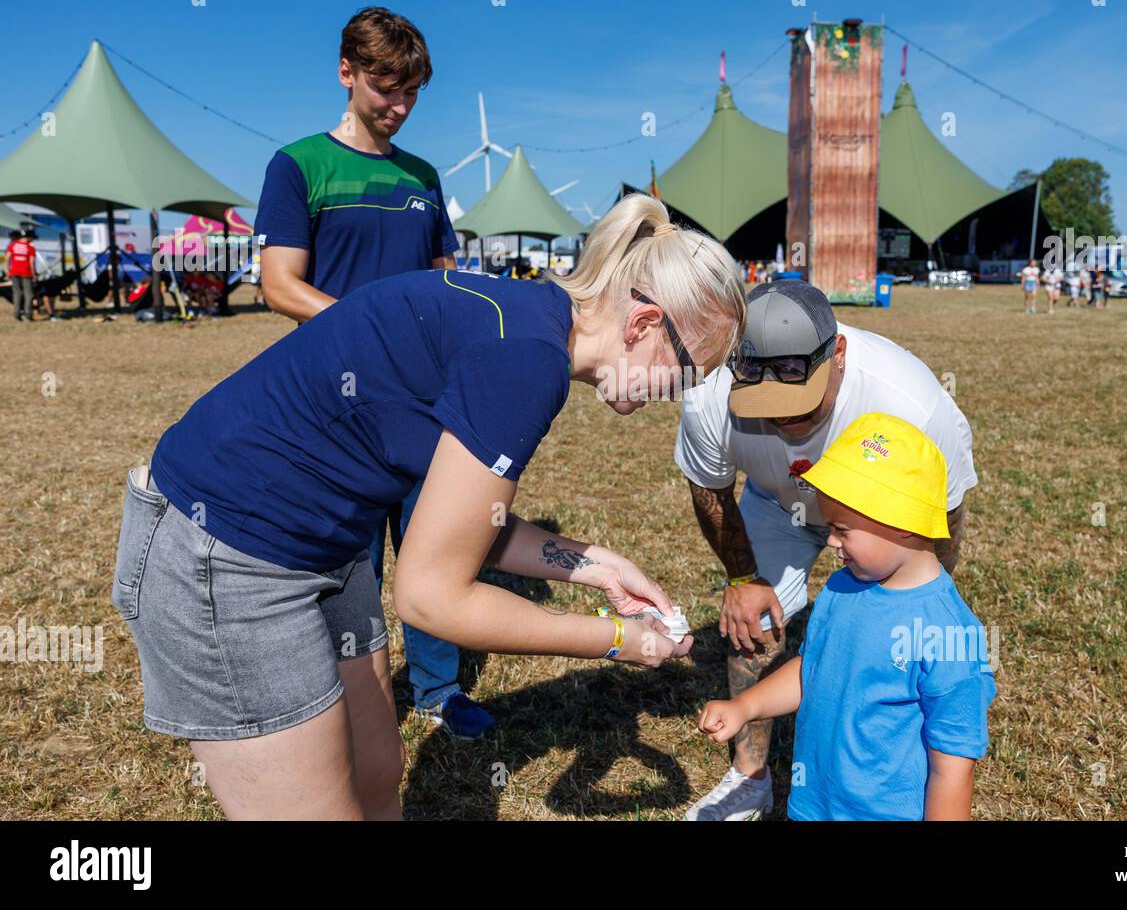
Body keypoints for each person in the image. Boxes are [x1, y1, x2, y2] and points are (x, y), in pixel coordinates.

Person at [111, 193, 746, 820]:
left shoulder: (530, 321)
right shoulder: (525, 360)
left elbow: (465, 527)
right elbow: (431, 597)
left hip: (325, 546)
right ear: (642, 325)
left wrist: (599, 566)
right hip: (228, 552)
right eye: (689, 373)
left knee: (377, 769)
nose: (680, 396)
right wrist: (616, 641)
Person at [254, 8, 492, 738]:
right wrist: (374, 333)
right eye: (386, 89)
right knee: (350, 564)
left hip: (424, 404)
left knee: (434, 549)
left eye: (411, 94)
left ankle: (438, 690)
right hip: (339, 406)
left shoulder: (423, 177)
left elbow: (445, 278)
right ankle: (349, 696)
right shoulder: (299, 165)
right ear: (346, 72)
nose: (399, 107)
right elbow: (279, 284)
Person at [675, 280, 977, 820]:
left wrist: (917, 599)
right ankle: (749, 776)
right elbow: (709, 486)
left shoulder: (912, 402)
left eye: (796, 400)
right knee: (754, 623)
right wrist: (743, 580)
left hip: (882, 523)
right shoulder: (709, 393)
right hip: (774, 502)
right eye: (763, 406)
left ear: (836, 353)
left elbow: (943, 516)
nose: (781, 421)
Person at [698, 413, 996, 819]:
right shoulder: (841, 588)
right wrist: (745, 707)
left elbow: (952, 770)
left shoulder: (949, 634)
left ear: (902, 522)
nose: (831, 541)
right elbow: (812, 670)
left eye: (842, 529)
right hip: (812, 807)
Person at [5, 229, 35, 322]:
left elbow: (7, 258)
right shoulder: (30, 247)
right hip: (26, 272)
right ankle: (28, 315)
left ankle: (16, 316)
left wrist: (7, 270)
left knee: (16, 294)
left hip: (14, 272)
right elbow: (31, 261)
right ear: (29, 237)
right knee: (28, 294)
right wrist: (34, 274)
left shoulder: (13, 245)